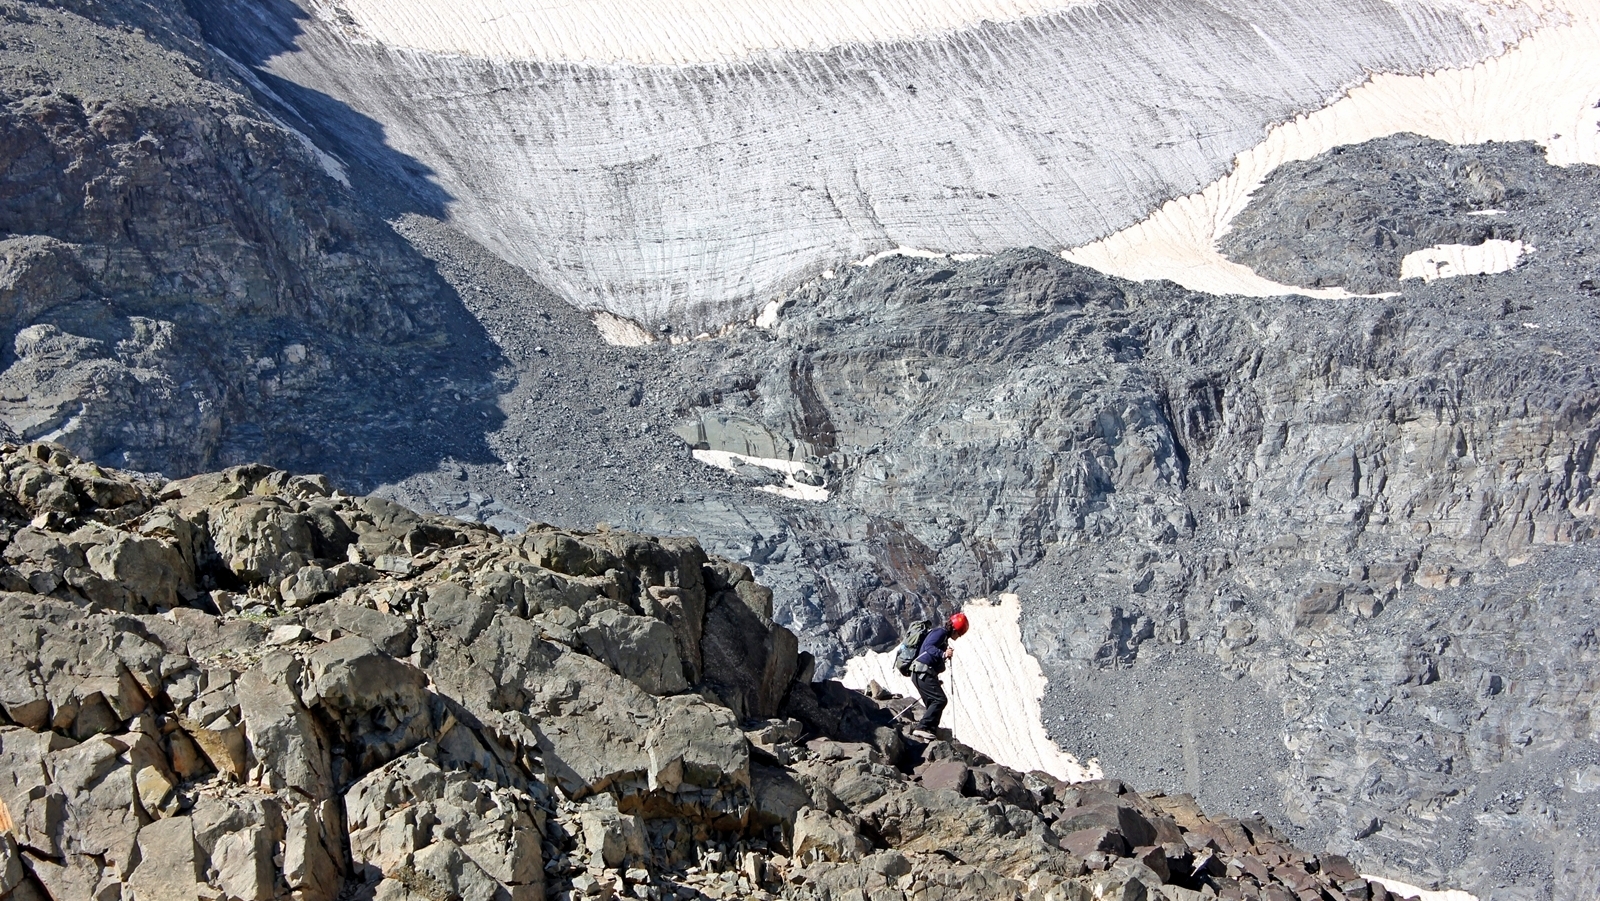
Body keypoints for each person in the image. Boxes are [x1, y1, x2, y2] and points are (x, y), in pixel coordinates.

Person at [909, 611, 968, 740]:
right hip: (922, 671)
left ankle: (930, 731)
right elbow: (928, 647)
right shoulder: (940, 633)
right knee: (939, 700)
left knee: (933, 702)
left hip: (920, 672)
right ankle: (922, 728)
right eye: (958, 633)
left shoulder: (943, 637)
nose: (958, 636)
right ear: (953, 628)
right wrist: (943, 654)